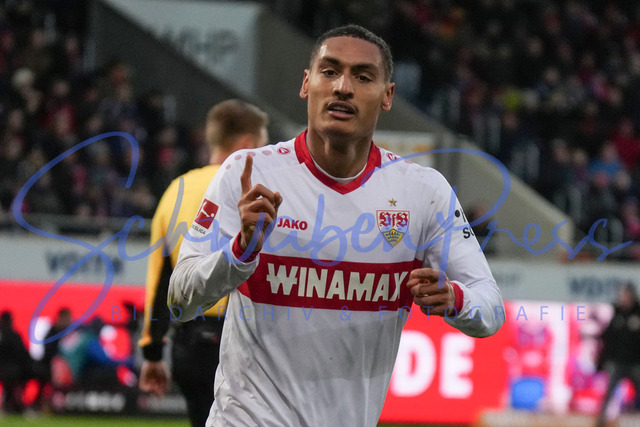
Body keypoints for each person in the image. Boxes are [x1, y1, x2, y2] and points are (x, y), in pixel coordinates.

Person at [168, 24, 504, 426]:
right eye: (329, 71)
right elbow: (180, 300)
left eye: (362, 77)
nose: (343, 87)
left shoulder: (423, 192)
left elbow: (491, 307)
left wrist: (455, 298)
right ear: (306, 84)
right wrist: (240, 252)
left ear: (387, 96)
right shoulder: (248, 173)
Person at [138, 99, 269, 427]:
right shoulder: (257, 192)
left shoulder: (176, 190)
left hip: (190, 343)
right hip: (243, 338)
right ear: (247, 144)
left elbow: (161, 280)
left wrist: (153, 351)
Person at [596, 282, 640, 427]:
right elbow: (609, 340)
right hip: (617, 363)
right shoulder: (617, 315)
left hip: (635, 363)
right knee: (609, 393)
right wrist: (603, 361)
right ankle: (602, 420)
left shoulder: (637, 315)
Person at [0, 310, 33, 415]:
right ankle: (15, 404)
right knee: (16, 378)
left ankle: (12, 404)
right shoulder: (13, 335)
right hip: (12, 371)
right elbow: (23, 354)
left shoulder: (12, 335)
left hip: (10, 370)